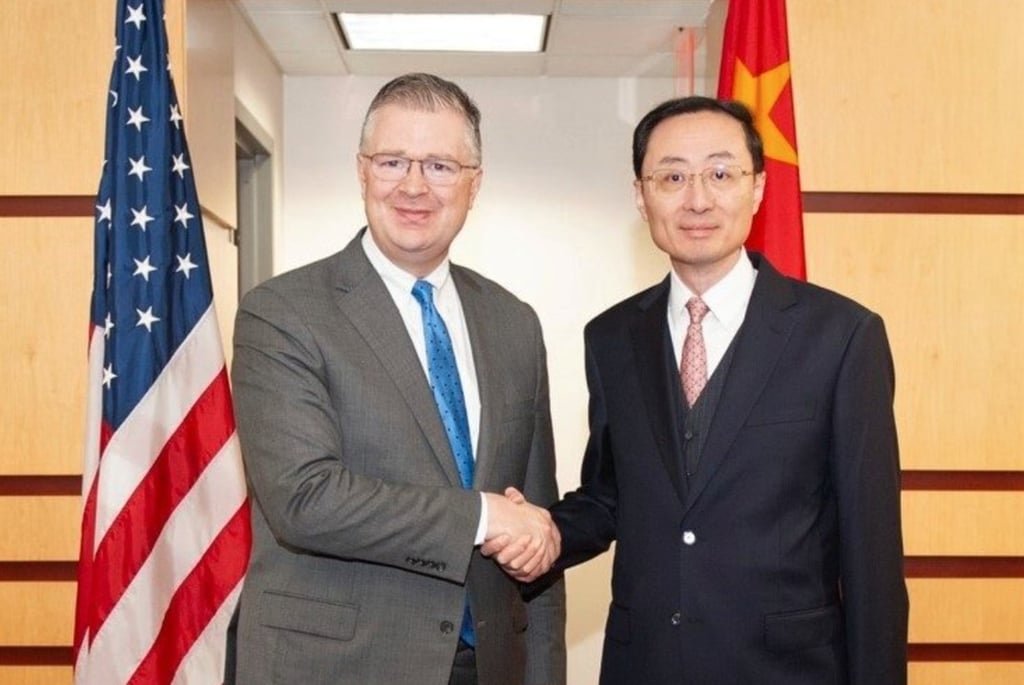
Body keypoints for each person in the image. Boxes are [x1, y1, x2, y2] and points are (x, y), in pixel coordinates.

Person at [487, 96, 908, 684]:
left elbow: (873, 555)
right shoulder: (611, 337)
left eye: (720, 173)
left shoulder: (841, 337)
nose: (698, 199)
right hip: (646, 665)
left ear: (758, 187)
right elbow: (613, 494)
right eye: (673, 176)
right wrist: (545, 531)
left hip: (788, 670)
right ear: (641, 194)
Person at [229, 73, 565, 685]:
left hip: (487, 666)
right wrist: (484, 518)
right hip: (338, 668)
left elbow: (533, 529)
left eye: (440, 165)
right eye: (392, 161)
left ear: (474, 183)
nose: (413, 185)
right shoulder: (282, 312)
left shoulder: (514, 323)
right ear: (362, 171)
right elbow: (305, 500)